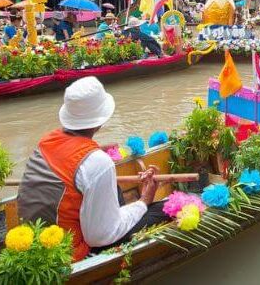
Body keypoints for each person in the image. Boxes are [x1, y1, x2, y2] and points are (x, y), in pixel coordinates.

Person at [18, 77, 169, 261]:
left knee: (112, 187)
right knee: (165, 209)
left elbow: (72, 158)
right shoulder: (97, 162)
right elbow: (99, 237)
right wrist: (143, 201)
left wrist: (95, 152)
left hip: (35, 237)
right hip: (71, 254)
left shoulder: (47, 140)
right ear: (100, 121)